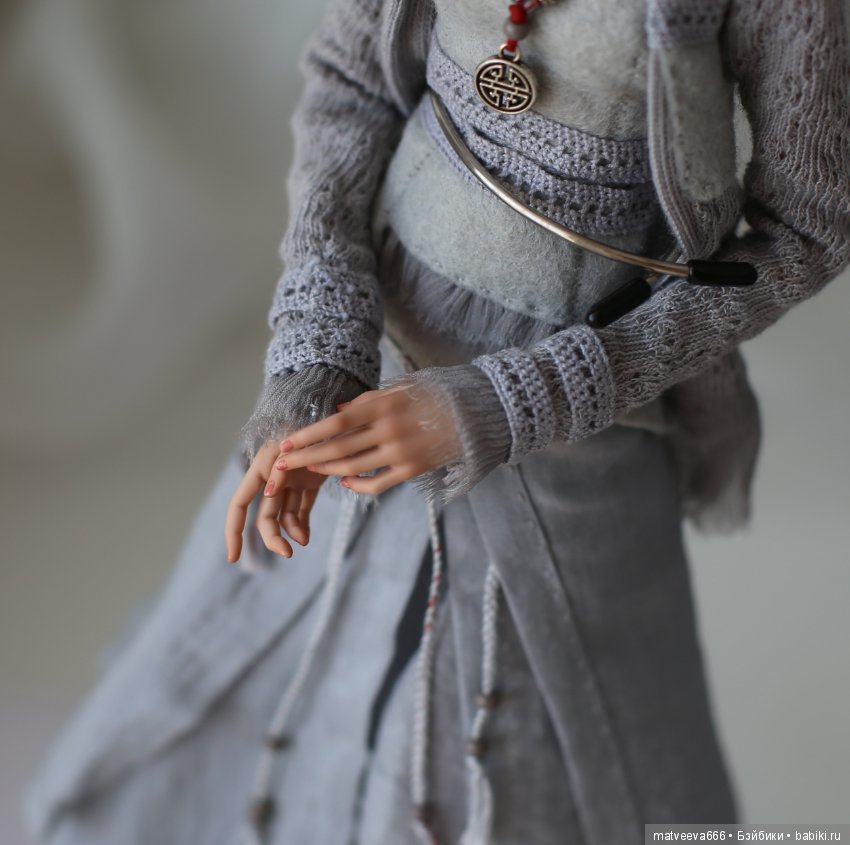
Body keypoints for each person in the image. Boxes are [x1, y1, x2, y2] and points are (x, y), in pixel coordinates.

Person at [24, 0, 850, 843]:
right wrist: (317, 347)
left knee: (541, 737)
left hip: (585, 413)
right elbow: (350, 81)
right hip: (373, 354)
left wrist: (520, 397)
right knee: (260, 651)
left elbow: (808, 231)